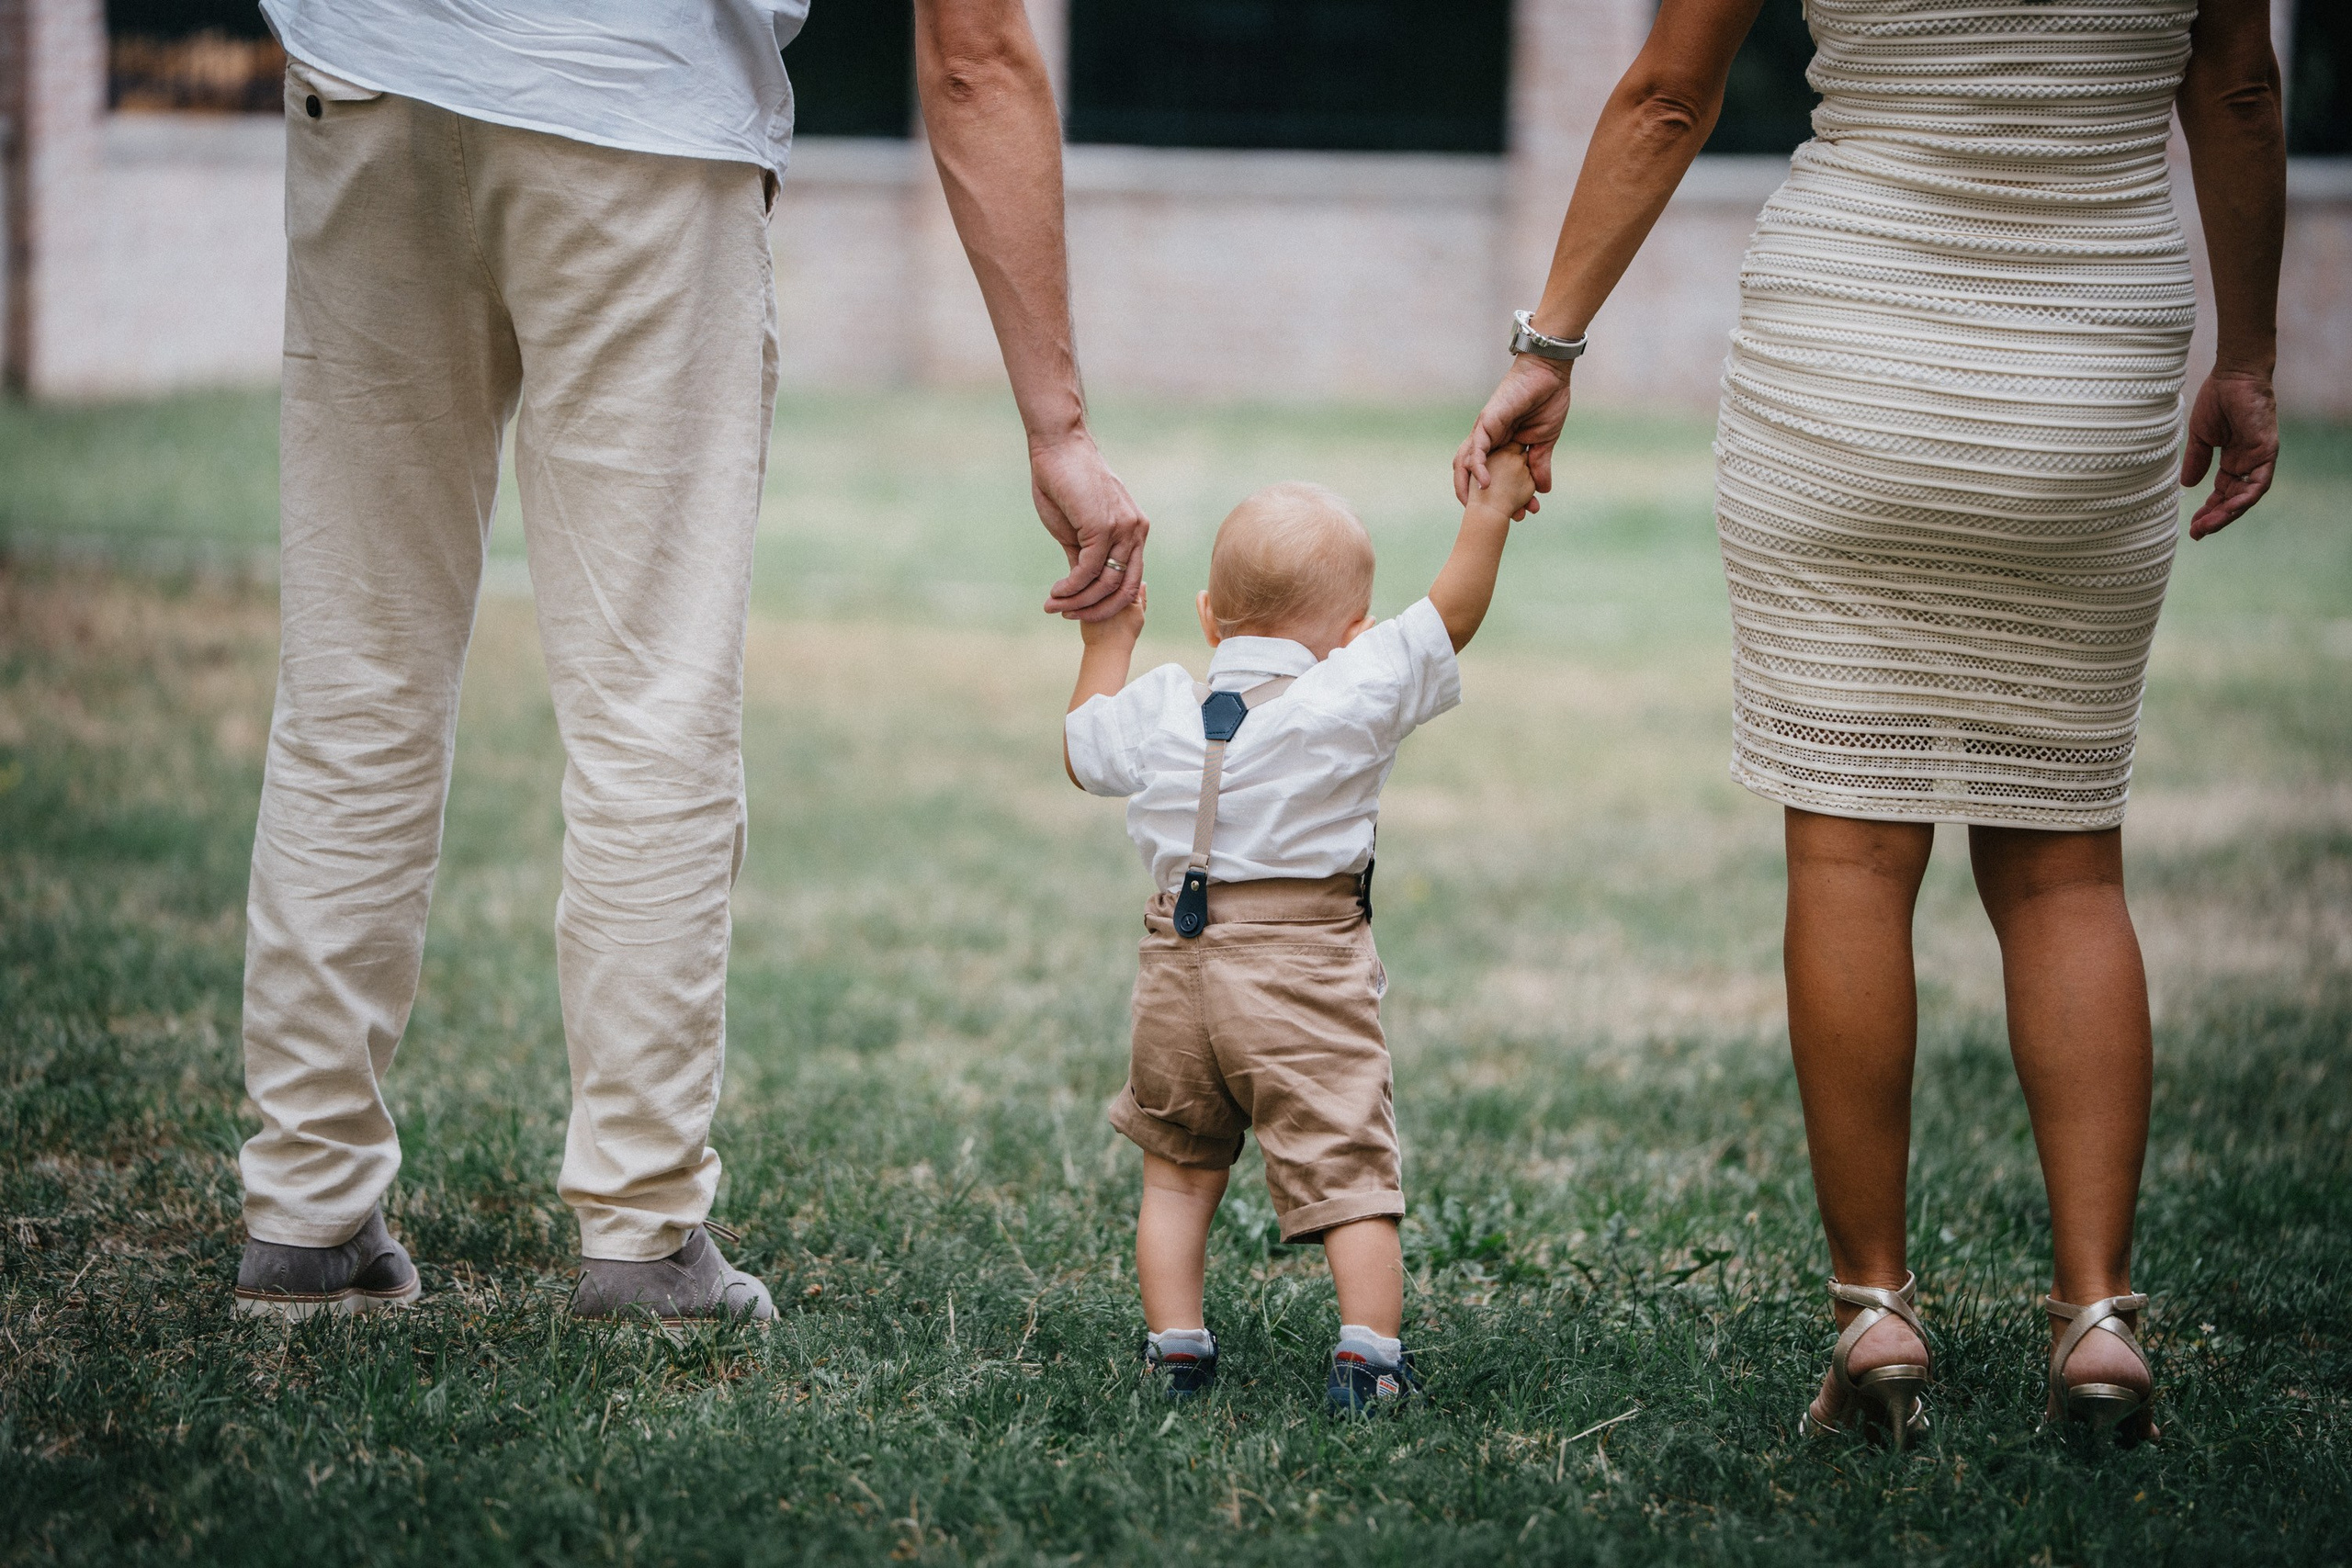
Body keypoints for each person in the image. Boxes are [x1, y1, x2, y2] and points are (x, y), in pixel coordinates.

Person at [229, 0, 1148, 1324]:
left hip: (371, 78)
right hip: (637, 117)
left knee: (354, 672)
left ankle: (305, 1213)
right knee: (650, 697)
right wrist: (1057, 425)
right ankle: (641, 1233)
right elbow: (972, 48)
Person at [1455, 0, 2283, 1445]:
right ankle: (2096, 1321)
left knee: (1848, 851)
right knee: (2068, 861)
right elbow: (2238, 91)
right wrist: (2252, 358)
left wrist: (1551, 344)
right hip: (2088, 367)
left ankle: (1875, 1310)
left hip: (1853, 354)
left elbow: (1667, 94)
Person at [1062, 449, 1538, 1415]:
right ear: (1354, 631)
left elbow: (1083, 748)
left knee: (1178, 1169)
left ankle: (1175, 1348)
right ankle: (1369, 1357)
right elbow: (1451, 615)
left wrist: (1107, 640)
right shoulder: (1348, 691)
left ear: (1207, 616)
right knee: (1347, 1168)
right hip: (1300, 966)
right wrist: (1487, 514)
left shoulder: (1159, 707)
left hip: (1177, 966)